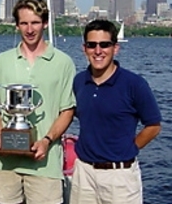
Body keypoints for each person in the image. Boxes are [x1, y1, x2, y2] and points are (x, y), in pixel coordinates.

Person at [0, 0, 76, 204]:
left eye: (35, 22)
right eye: (24, 23)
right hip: (5, 163)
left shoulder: (63, 63)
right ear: (16, 26)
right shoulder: (2, 61)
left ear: (45, 23)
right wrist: (0, 136)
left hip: (46, 164)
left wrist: (46, 141)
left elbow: (67, 110)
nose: (30, 29)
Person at [69, 19, 162, 204]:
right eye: (92, 45)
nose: (98, 51)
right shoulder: (79, 82)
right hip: (84, 174)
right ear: (84, 48)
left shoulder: (134, 84)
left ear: (115, 48)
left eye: (104, 44)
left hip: (119, 177)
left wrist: (131, 148)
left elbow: (153, 125)